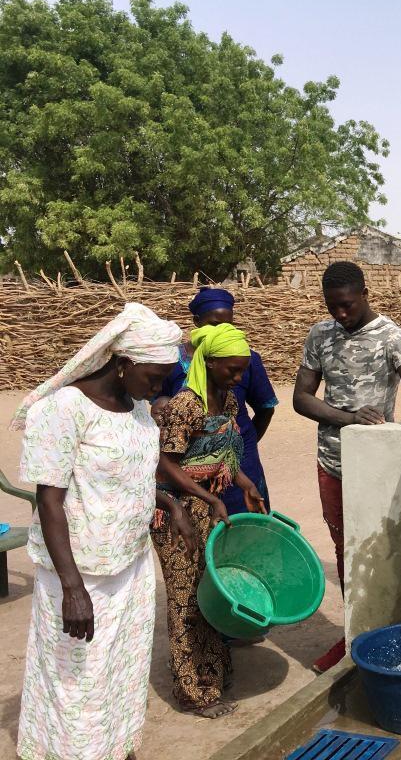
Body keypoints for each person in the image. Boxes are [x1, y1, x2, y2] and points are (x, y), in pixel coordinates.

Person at [11, 303, 187, 760]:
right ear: (124, 363)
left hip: (129, 564)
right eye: (153, 376)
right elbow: (49, 502)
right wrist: (71, 587)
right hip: (81, 572)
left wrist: (169, 502)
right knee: (77, 676)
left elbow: (134, 475)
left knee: (121, 667)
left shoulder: (138, 411)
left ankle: (112, 746)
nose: (159, 387)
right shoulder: (65, 409)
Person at [294, 261, 401, 673]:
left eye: (347, 305)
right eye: (333, 307)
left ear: (365, 294)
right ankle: (352, 636)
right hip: (332, 462)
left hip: (373, 466)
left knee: (378, 548)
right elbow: (301, 398)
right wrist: (347, 417)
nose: (340, 315)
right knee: (344, 551)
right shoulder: (320, 335)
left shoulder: (393, 338)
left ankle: (378, 631)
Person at [152, 323, 267, 719]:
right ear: (209, 361)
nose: (238, 378)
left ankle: (212, 673)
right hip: (175, 511)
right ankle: (192, 691)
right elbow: (165, 462)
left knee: (210, 590)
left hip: (207, 505)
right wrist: (205, 496)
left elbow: (225, 451)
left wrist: (246, 482)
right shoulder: (185, 405)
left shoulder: (230, 401)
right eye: (232, 370)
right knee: (185, 598)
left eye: (242, 370)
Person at [155, 287, 278, 514]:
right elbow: (158, 401)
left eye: (228, 325)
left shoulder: (239, 364)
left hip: (233, 456)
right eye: (213, 324)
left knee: (245, 522)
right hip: (184, 465)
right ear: (196, 321)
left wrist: (231, 444)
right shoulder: (173, 367)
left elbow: (265, 408)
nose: (221, 330)